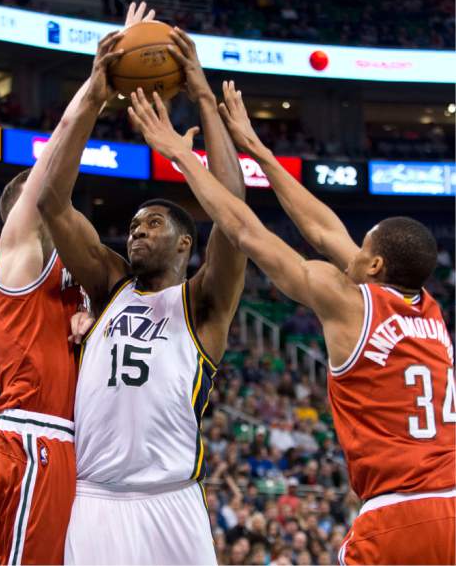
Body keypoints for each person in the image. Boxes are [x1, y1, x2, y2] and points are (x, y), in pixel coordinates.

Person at [128, 84, 456, 565]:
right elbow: (325, 230)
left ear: (375, 266)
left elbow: (244, 230)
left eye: (361, 247)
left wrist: (182, 155)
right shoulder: (428, 309)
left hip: (397, 513)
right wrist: (257, 149)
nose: (351, 249)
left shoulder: (351, 304)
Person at [37, 29, 246, 564]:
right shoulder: (110, 285)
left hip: (172, 499)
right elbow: (52, 203)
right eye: (132, 224)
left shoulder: (203, 303)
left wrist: (201, 92)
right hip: (97, 498)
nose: (135, 231)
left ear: (184, 242)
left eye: (151, 223)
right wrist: (92, 96)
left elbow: (235, 212)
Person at [0, 1, 155, 566]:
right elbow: (51, 169)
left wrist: (93, 324)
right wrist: (95, 90)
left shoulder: (76, 279)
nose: (64, 211)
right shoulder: (17, 257)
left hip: (78, 446)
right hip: (36, 437)